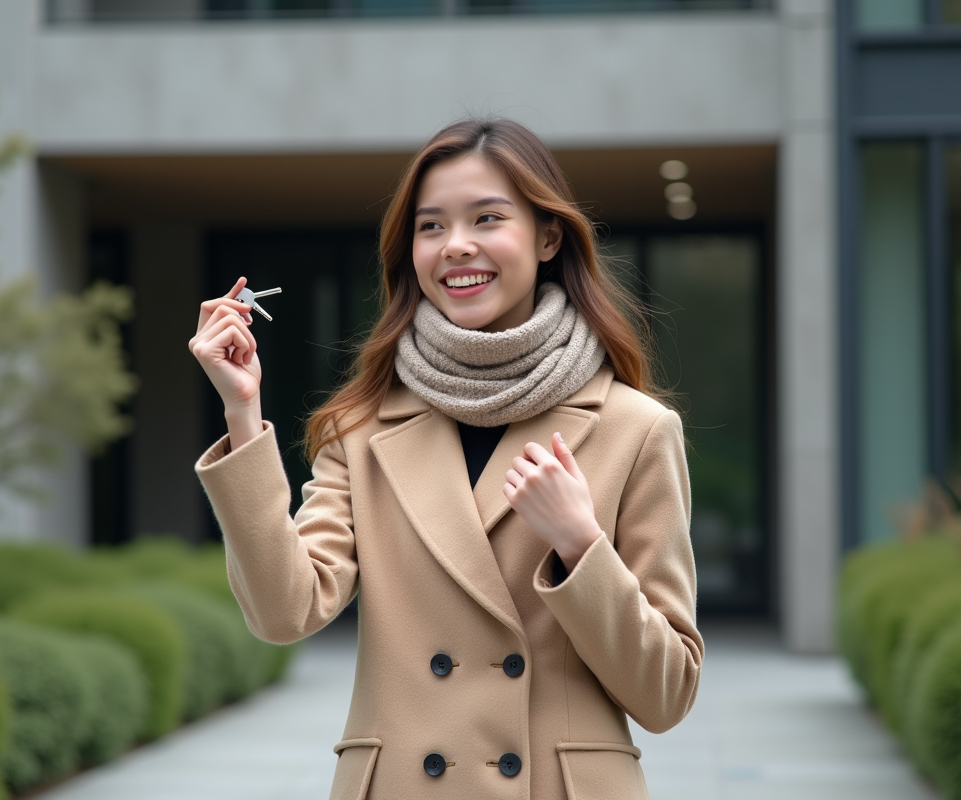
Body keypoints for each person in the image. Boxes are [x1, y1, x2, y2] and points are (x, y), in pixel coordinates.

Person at [189, 117, 703, 800]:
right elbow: (285, 611)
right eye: (430, 227)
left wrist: (582, 547)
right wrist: (241, 413)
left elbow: (666, 697)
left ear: (549, 236)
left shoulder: (635, 431)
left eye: (487, 218)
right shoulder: (362, 428)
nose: (456, 247)